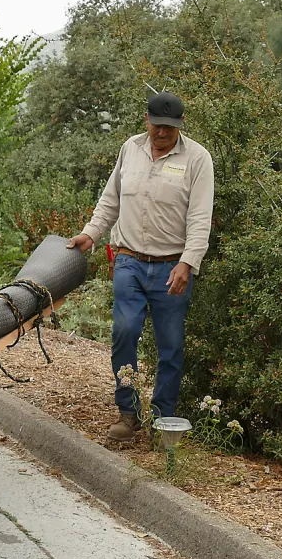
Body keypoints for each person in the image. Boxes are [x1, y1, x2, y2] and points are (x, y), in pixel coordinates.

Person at [68, 91, 214, 441]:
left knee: (171, 345)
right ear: (146, 120)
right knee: (124, 330)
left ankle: (163, 420)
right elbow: (110, 199)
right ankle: (128, 412)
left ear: (180, 126)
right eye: (157, 125)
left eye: (170, 127)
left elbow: (200, 218)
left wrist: (188, 262)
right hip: (129, 260)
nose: (163, 133)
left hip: (172, 267)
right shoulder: (130, 149)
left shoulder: (197, 159)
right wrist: (91, 234)